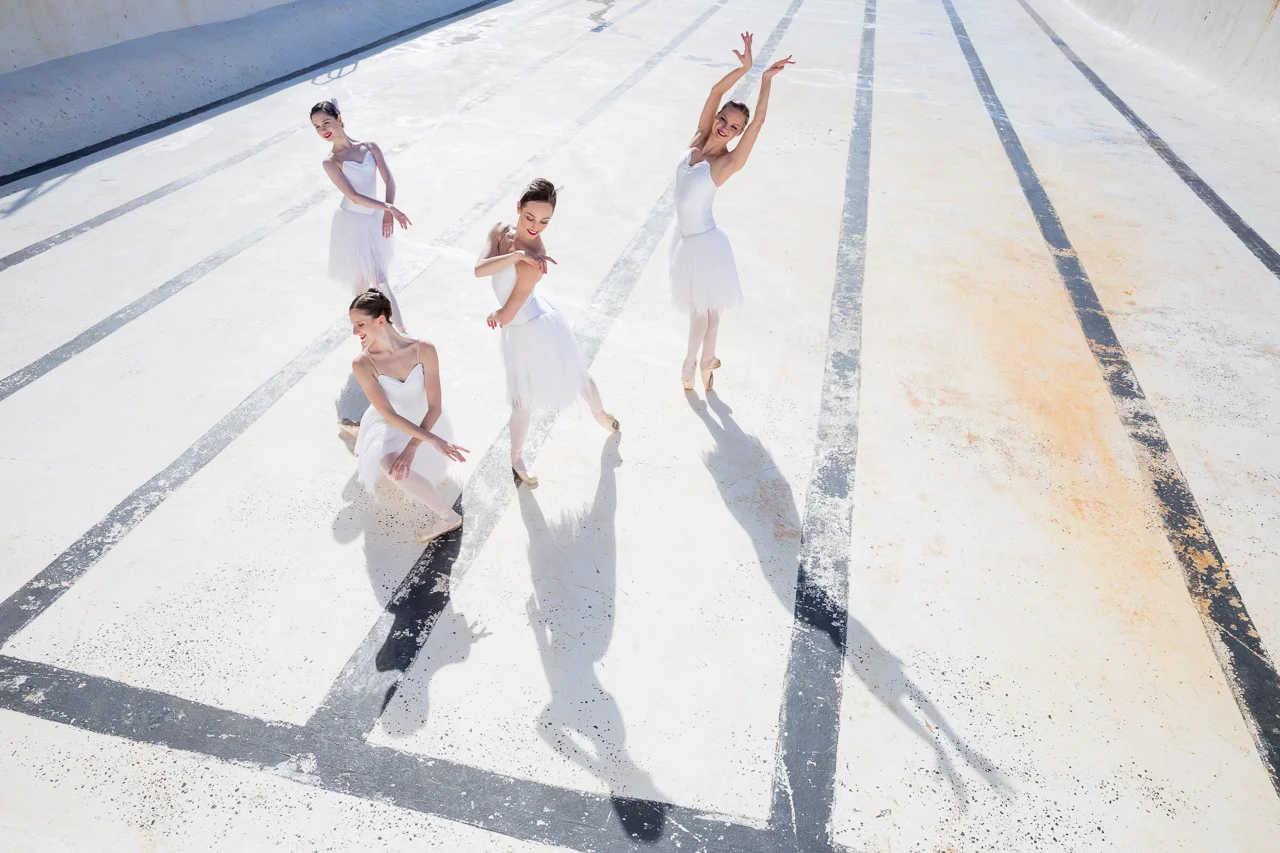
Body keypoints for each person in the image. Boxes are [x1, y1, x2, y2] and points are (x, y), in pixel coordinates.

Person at [475, 179, 619, 487]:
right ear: (518, 208)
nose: (535, 227)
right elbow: (480, 269)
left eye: (544, 222)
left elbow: (507, 314)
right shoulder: (499, 232)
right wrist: (516, 255)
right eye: (530, 217)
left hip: (535, 325)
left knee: (577, 377)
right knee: (521, 403)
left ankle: (600, 414)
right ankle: (517, 459)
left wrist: (495, 314)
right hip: (518, 331)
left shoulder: (536, 259)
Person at [670, 34, 794, 391]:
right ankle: (708, 362)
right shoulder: (698, 137)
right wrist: (744, 69)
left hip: (704, 243)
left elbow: (759, 123)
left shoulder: (727, 164)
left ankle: (690, 367)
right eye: (723, 119)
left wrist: (765, 81)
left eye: (734, 127)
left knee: (702, 312)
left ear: (738, 134)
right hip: (685, 239)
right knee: (709, 311)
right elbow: (715, 91)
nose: (725, 127)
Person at [348, 289, 469, 544]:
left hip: (426, 419)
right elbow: (389, 415)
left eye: (360, 324)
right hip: (391, 422)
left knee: (408, 460)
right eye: (353, 325)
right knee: (392, 468)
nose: (354, 331)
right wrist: (429, 441)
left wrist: (414, 446)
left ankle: (353, 429)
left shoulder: (424, 349)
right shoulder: (362, 364)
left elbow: (435, 405)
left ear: (381, 320)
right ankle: (447, 516)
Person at [312, 99, 411, 332]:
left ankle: (401, 333)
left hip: (374, 221)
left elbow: (390, 181)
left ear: (339, 119)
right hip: (351, 224)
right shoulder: (330, 161)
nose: (323, 130)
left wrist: (387, 212)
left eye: (326, 122)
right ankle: (371, 336)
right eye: (317, 127)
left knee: (379, 279)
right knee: (360, 288)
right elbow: (354, 197)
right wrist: (389, 208)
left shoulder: (370, 147)